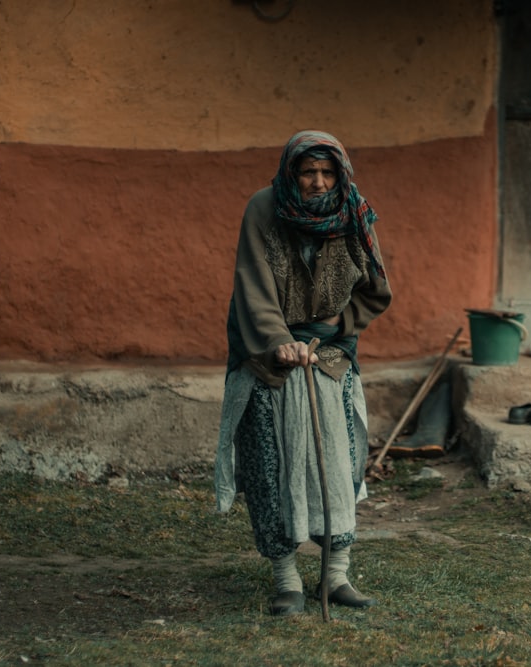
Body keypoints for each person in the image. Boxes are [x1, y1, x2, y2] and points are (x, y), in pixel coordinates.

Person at [214, 130, 392, 616]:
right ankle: (287, 582)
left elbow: (375, 289)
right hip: (268, 355)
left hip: (331, 353)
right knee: (274, 465)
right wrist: (279, 341)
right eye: (308, 172)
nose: (317, 182)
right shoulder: (263, 209)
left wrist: (340, 326)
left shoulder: (354, 212)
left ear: (340, 175)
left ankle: (336, 577)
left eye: (327, 172)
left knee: (338, 462)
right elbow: (252, 285)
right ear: (292, 173)